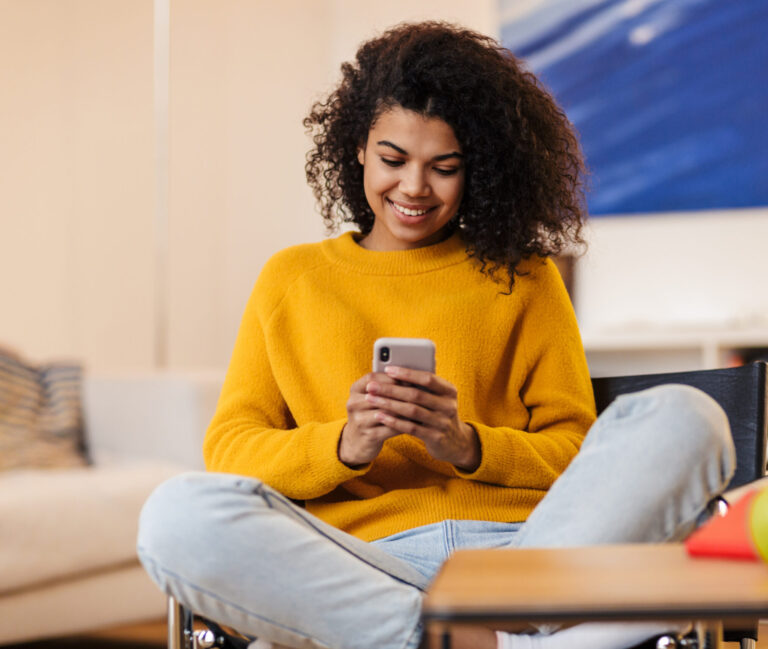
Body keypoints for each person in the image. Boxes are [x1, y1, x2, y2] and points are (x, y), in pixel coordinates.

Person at [137, 21, 736, 649]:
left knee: (686, 415)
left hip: (522, 560)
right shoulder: (292, 279)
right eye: (393, 159)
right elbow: (231, 450)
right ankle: (483, 642)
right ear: (359, 149)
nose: (414, 188)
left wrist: (466, 445)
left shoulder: (525, 275)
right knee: (176, 515)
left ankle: (456, 633)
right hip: (363, 566)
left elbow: (574, 451)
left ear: (476, 167)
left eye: (443, 167)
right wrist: (344, 445)